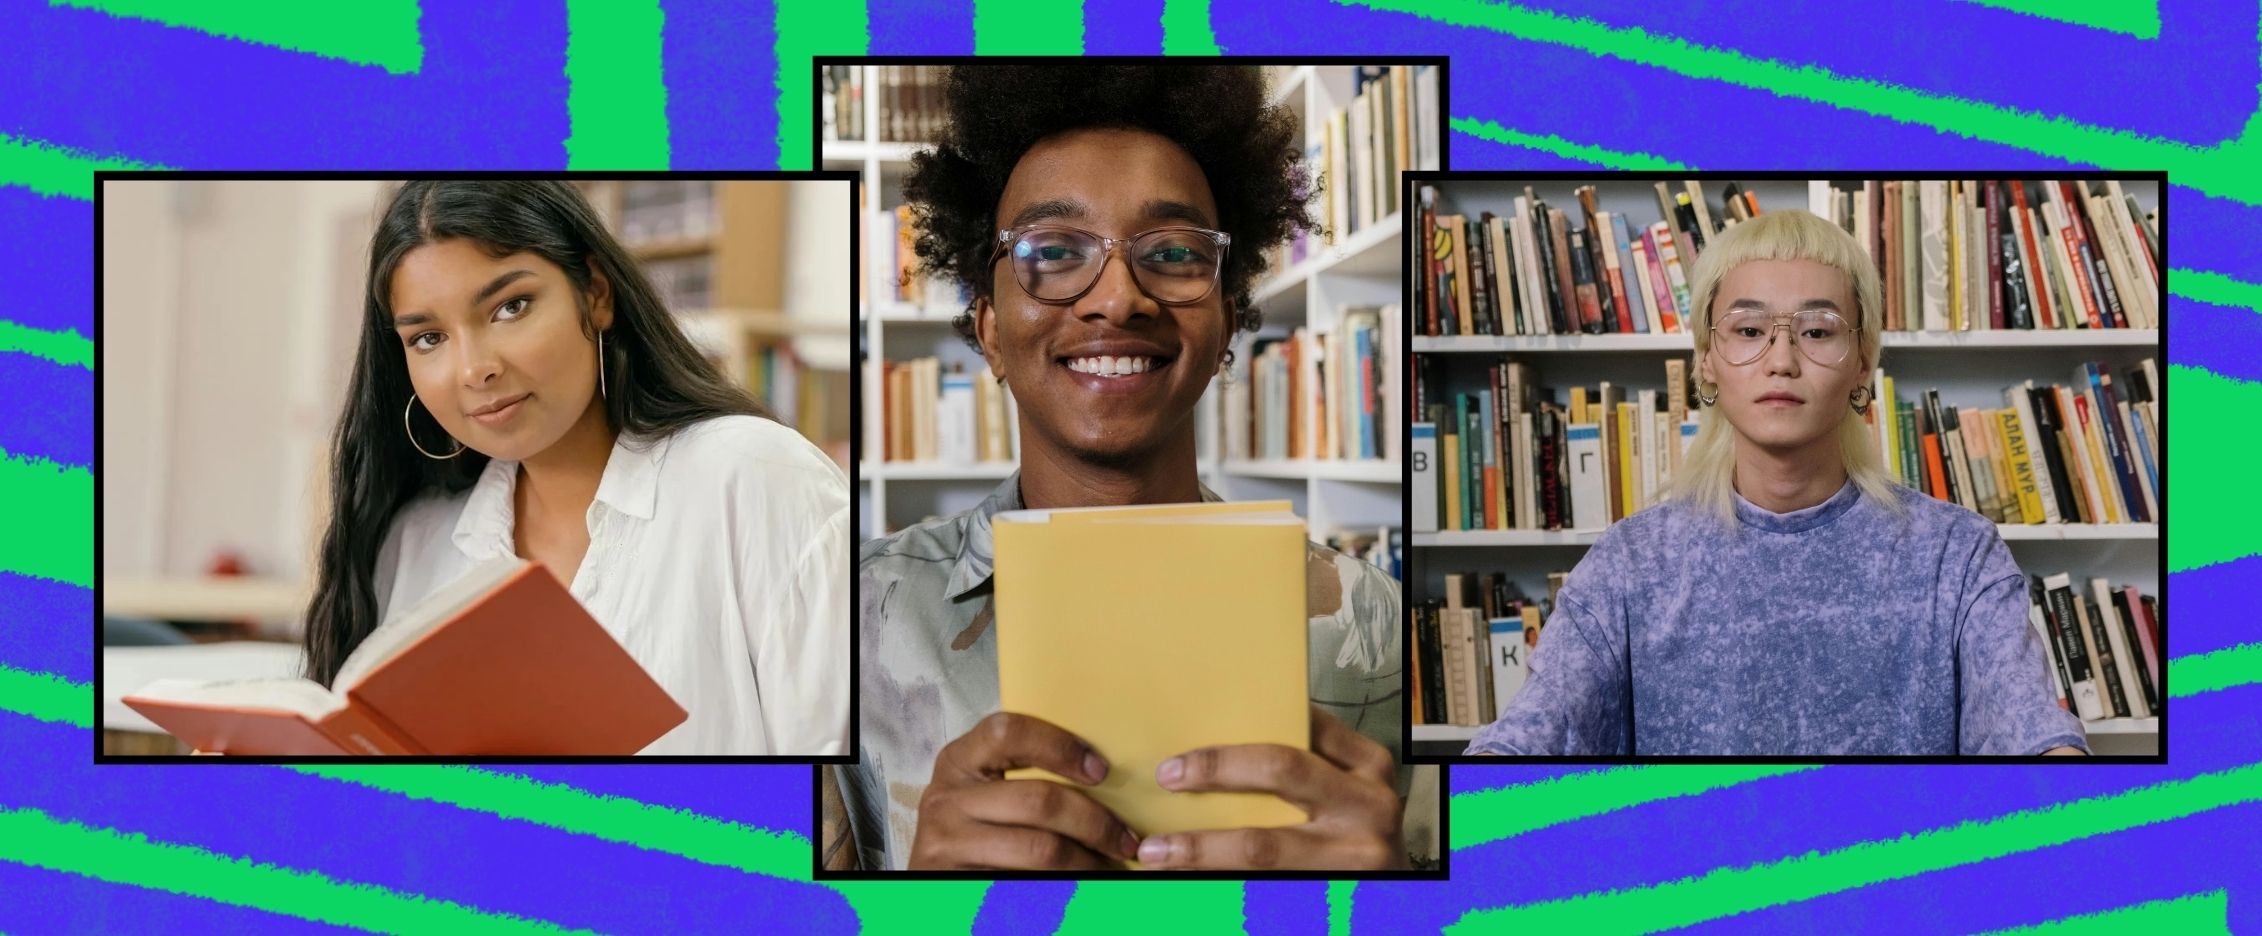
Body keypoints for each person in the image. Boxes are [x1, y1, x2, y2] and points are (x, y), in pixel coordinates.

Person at [830, 64, 1424, 871]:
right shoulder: (846, 624)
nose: (1118, 299)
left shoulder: (1380, 624)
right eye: (1052, 250)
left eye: (1174, 252)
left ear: (1225, 327)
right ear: (992, 330)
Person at [1464, 209, 2087, 757]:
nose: (1781, 360)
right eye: (1748, 330)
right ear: (1706, 359)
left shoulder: (1959, 555)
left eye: (1817, 331)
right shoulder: (1633, 563)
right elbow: (1531, 734)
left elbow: (2029, 731)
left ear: (1864, 359)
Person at [301, 180, 850, 755]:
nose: (474, 369)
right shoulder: (414, 543)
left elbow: (839, 800)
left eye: (510, 307)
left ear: (595, 294)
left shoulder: (753, 477)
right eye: (429, 338)